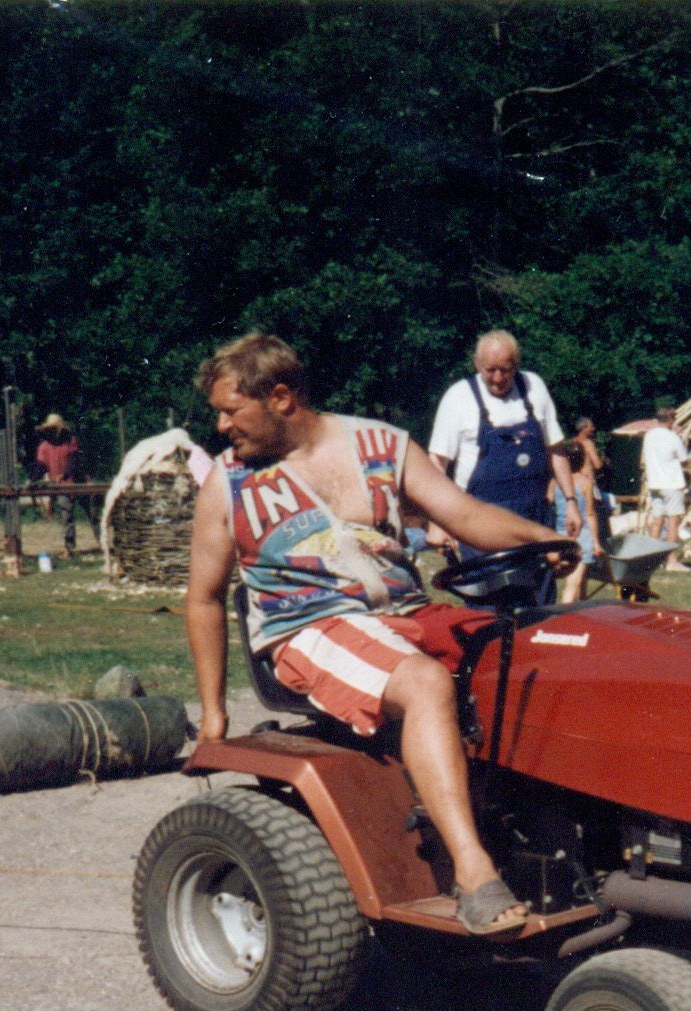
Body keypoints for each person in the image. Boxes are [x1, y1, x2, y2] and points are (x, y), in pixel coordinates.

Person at [185, 333, 571, 935]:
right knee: (424, 683)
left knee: (545, 653)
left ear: (281, 397)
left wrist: (542, 537)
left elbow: (465, 515)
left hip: (404, 610)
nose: (221, 426)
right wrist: (213, 714)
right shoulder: (228, 482)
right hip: (309, 626)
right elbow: (204, 599)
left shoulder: (381, 445)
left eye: (231, 410)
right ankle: (473, 871)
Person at [427, 331, 579, 589]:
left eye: (505, 370)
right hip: (481, 521)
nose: (498, 378)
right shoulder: (458, 398)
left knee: (540, 601)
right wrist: (437, 522)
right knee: (492, 600)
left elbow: (555, 449)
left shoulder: (534, 386)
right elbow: (436, 465)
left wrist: (571, 501)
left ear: (516, 365)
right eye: (490, 370)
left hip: (535, 519)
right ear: (477, 364)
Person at [551, 417, 609, 603]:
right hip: (581, 534)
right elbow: (590, 514)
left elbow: (549, 502)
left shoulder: (554, 482)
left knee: (577, 579)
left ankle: (581, 609)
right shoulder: (585, 483)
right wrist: (596, 543)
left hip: (561, 532)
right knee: (572, 584)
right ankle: (563, 616)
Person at [32, 413, 95, 558]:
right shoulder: (44, 447)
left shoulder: (70, 442)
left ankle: (103, 542)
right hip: (61, 486)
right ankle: (69, 547)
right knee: (66, 515)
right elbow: (40, 466)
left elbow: (75, 461)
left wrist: (65, 474)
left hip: (78, 482)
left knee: (92, 514)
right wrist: (33, 481)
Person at [641, 405, 691, 571]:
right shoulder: (673, 437)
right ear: (670, 419)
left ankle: (651, 561)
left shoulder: (649, 435)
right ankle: (671, 560)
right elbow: (684, 460)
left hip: (655, 484)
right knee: (673, 523)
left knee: (657, 521)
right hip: (671, 484)